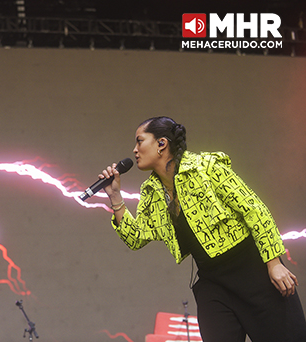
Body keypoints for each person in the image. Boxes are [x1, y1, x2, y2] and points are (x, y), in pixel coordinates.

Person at [99, 116, 306, 342]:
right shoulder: (152, 191)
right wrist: (115, 197)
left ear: (162, 144)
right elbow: (135, 237)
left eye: (140, 141)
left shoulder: (205, 167)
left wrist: (274, 263)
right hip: (213, 283)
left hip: (254, 273)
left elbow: (254, 209)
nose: (135, 150)